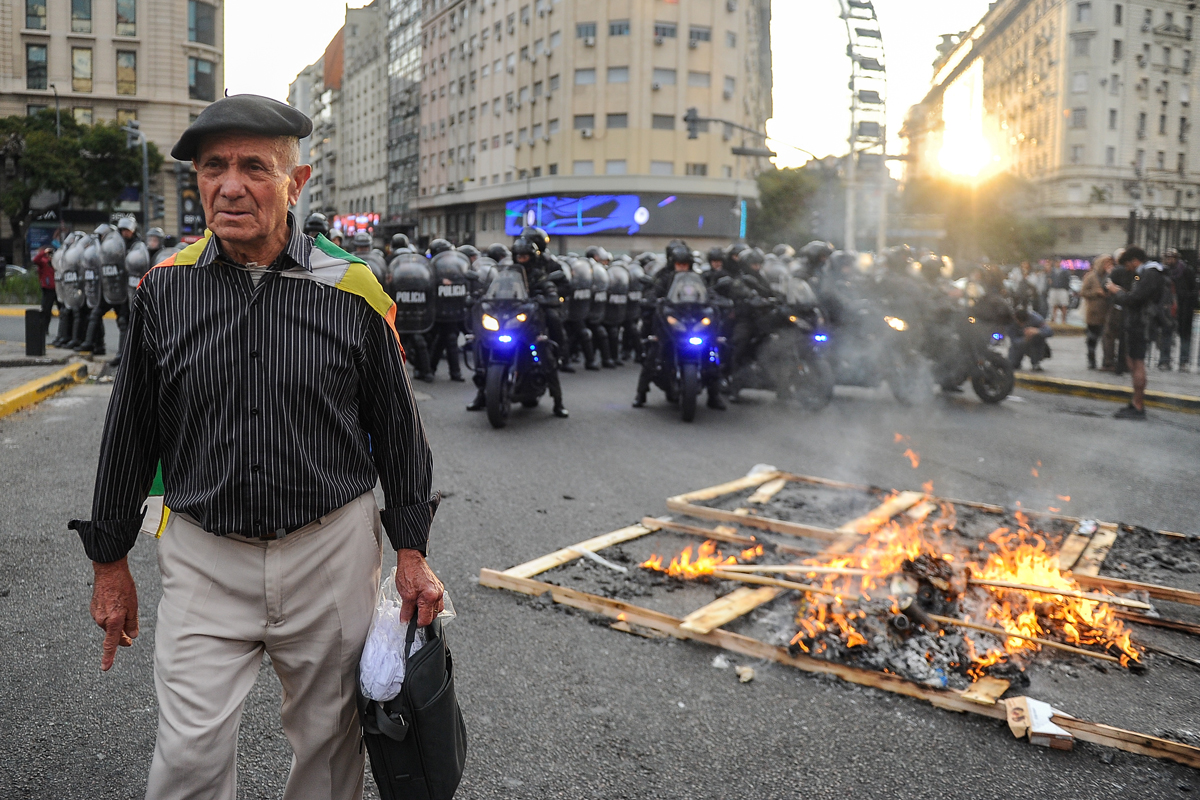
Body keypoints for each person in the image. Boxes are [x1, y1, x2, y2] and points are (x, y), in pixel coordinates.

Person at [68, 94, 442, 800]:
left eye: (254, 167)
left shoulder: (353, 289)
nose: (230, 185)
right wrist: (109, 562)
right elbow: (129, 432)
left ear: (295, 184)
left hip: (327, 551)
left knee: (330, 750)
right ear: (198, 181)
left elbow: (399, 431)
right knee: (186, 758)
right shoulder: (164, 288)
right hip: (206, 557)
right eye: (214, 167)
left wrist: (413, 552)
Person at [633, 244, 725, 410]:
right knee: (654, 352)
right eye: (679, 264)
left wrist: (717, 300)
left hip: (694, 320)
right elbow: (653, 291)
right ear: (673, 263)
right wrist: (650, 299)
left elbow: (708, 292)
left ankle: (714, 395)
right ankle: (641, 394)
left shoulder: (698, 278)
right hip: (673, 319)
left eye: (685, 264)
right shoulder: (664, 278)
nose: (682, 267)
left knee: (713, 351)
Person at [1106, 246, 1165, 419]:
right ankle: (1135, 402)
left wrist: (1117, 292)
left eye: (1127, 265)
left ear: (1134, 261)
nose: (1127, 269)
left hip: (1141, 324)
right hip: (1138, 323)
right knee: (1132, 361)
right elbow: (1136, 295)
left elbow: (1135, 300)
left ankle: (1138, 406)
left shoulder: (1149, 273)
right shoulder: (1143, 273)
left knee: (1137, 363)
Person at [1164, 249, 1198, 371]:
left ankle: (1183, 361)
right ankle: (1164, 360)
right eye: (1167, 257)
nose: (1169, 260)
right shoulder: (1165, 271)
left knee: (1185, 334)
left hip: (1184, 306)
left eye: (1171, 257)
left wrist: (1186, 298)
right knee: (1166, 333)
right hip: (1168, 306)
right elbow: (1137, 277)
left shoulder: (1187, 270)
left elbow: (1193, 289)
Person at [1080, 255, 1113, 369]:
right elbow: (1083, 292)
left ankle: (1107, 361)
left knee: (1106, 338)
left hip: (1107, 312)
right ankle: (1091, 360)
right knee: (1092, 339)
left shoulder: (1110, 276)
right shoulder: (1091, 277)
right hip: (1093, 313)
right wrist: (1095, 293)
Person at [1007, 306, 1053, 371]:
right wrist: (1025, 339)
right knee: (1013, 364)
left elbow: (1049, 331)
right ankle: (1015, 362)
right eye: (1020, 323)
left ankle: (1035, 362)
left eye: (1024, 322)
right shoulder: (1011, 323)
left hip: (1034, 344)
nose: (1022, 325)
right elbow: (1013, 340)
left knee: (1037, 338)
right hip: (1018, 346)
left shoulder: (1036, 318)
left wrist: (1037, 331)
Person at [33, 244, 60, 343]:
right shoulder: (43, 262)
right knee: (46, 311)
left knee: (63, 311)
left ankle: (63, 332)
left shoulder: (56, 262)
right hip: (48, 289)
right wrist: (43, 253)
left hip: (58, 288)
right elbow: (35, 260)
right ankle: (44, 329)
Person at [1048, 260, 1072, 324]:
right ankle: (1054, 319)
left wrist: (1066, 288)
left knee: (1064, 305)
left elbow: (1068, 280)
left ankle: (1063, 320)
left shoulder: (1065, 271)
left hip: (1062, 289)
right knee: (1054, 305)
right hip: (1054, 289)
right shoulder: (1052, 271)